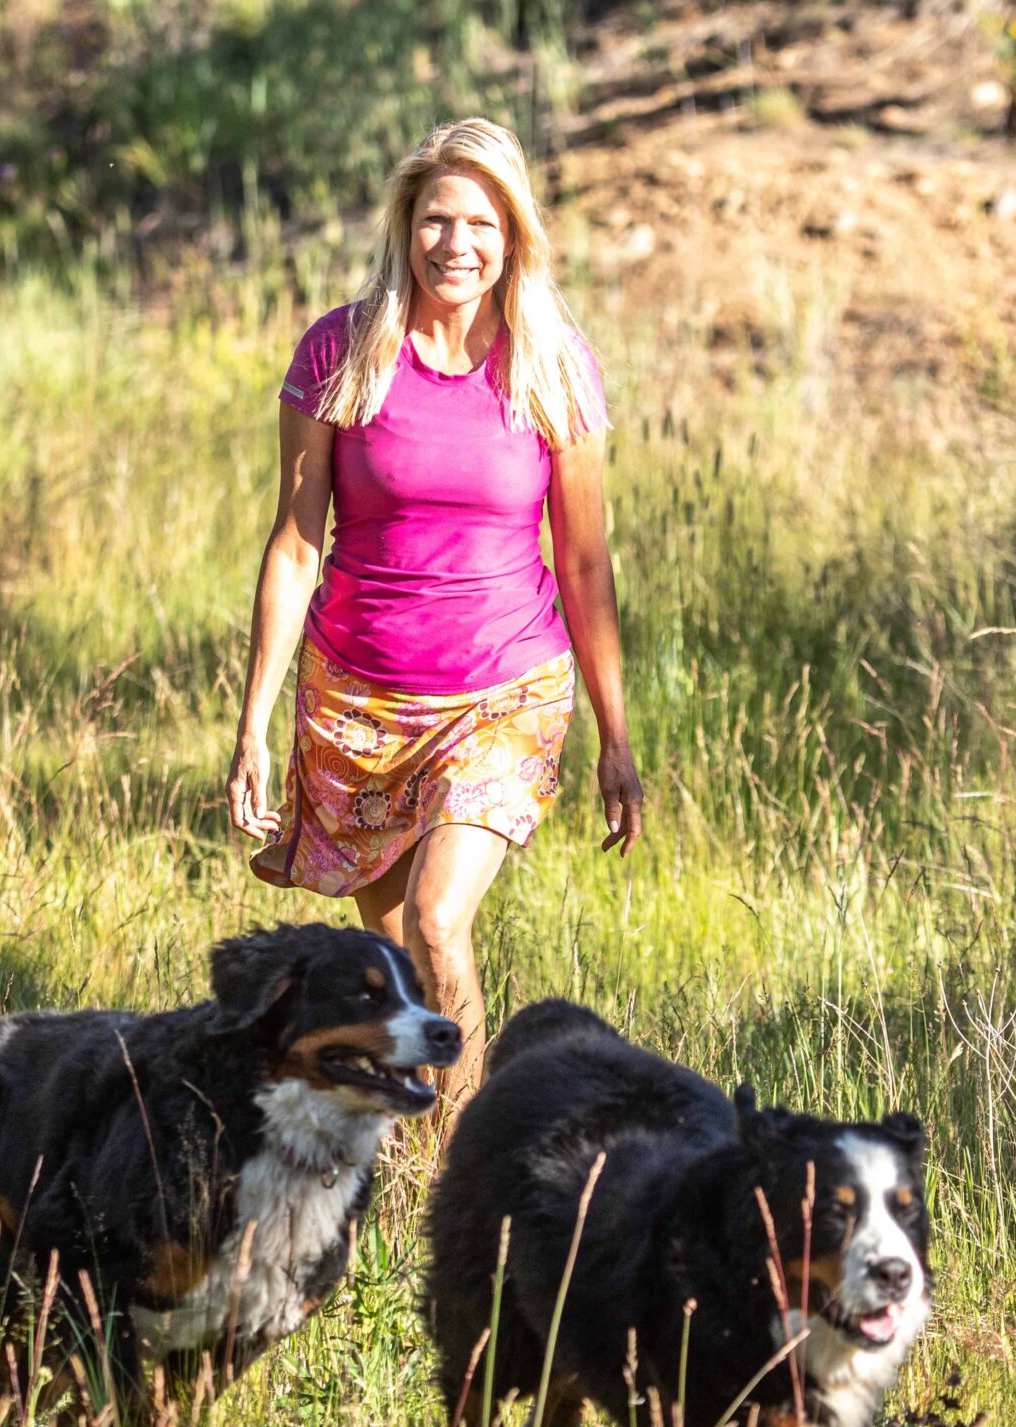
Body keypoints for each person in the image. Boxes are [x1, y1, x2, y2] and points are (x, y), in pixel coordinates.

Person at [227, 117, 642, 1128]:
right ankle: (410, 1158)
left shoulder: (552, 366)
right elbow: (294, 544)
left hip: (504, 688)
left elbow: (583, 564)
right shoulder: (342, 350)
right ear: (404, 225)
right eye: (436, 220)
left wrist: (616, 736)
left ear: (514, 236)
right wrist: (250, 726)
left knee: (435, 919)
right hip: (358, 703)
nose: (456, 244)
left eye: (481, 223)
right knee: (399, 968)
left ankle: (467, 1166)